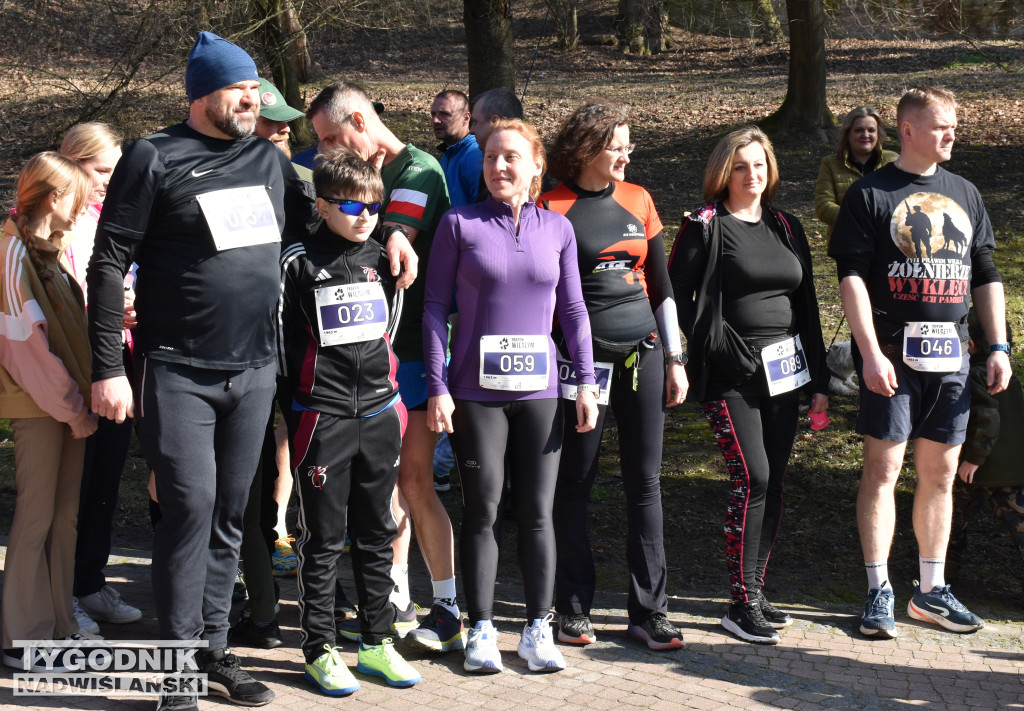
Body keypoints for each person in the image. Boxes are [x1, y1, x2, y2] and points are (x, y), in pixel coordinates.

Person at [86, 33, 416, 711]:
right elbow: (108, 260)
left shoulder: (267, 162)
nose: (252, 99)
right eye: (241, 88)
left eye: (254, 88)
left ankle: (212, 653)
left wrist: (390, 233)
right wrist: (105, 369)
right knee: (188, 511)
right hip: (176, 368)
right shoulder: (154, 156)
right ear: (203, 91)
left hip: (255, 370)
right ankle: (178, 669)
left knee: (235, 515)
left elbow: (325, 225)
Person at [828, 86, 1009, 640]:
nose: (951, 134)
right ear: (907, 131)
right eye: (941, 126)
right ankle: (877, 590)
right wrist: (869, 352)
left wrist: (999, 346)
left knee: (941, 476)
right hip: (893, 355)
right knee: (882, 471)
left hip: (953, 357)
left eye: (953, 124)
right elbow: (851, 277)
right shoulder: (870, 193)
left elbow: (986, 275)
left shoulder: (965, 192)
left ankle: (930, 592)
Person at [423, 118, 599, 674]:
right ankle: (480, 628)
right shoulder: (460, 224)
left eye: (512, 157)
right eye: (492, 156)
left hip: (542, 392)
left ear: (536, 166)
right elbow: (433, 309)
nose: (499, 166)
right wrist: (437, 386)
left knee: (539, 512)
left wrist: (586, 383)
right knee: (483, 510)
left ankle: (537, 629)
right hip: (478, 394)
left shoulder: (559, 230)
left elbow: (573, 311)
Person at [307, 80, 465, 653]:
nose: (325, 151)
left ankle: (426, 601)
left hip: (418, 356)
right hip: (369, 361)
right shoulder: (355, 174)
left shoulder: (419, 170)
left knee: (411, 479)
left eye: (329, 136)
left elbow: (394, 240)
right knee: (385, 484)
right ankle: (392, 597)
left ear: (358, 120)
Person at [668, 127, 829, 645]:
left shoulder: (786, 225)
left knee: (775, 481)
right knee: (752, 478)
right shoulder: (705, 226)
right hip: (732, 375)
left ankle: (756, 592)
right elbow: (675, 296)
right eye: (741, 166)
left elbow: (806, 307)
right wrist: (707, 347)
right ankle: (739, 602)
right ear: (724, 172)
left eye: (759, 165)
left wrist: (820, 379)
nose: (752, 175)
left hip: (785, 371)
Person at [541, 101, 687, 650]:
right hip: (581, 364)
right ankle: (572, 607)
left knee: (645, 483)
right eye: (617, 145)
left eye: (629, 143)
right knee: (575, 482)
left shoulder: (639, 199)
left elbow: (664, 285)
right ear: (585, 149)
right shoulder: (549, 204)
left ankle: (650, 612)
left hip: (643, 353)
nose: (628, 154)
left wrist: (675, 357)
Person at [279, 148, 421, 694]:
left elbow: (390, 327)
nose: (364, 215)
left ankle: (376, 643)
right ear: (321, 204)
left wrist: (389, 399)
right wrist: (293, 405)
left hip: (380, 414)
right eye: (350, 205)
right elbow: (282, 339)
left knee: (376, 532)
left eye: (373, 206)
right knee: (322, 538)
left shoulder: (385, 255)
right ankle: (319, 648)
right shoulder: (298, 260)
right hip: (322, 417)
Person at [1, 152, 99, 672]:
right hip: (42, 407)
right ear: (56, 197)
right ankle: (22, 637)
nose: (85, 208)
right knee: (36, 516)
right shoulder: (12, 254)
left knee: (65, 517)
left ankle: (61, 625)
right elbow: (25, 349)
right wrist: (71, 409)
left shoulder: (49, 250)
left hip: (67, 404)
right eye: (80, 198)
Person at [59, 123, 144, 635]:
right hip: (76, 368)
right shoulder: (51, 221)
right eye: (102, 171)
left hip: (120, 362)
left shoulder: (110, 216)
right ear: (71, 163)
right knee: (75, 486)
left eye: (117, 170)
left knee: (106, 481)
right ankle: (59, 591)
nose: (111, 181)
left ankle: (89, 581)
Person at [948, 308, 1024, 579]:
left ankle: (941, 577)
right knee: (1019, 525)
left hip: (976, 469)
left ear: (969, 344)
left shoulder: (974, 375)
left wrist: (973, 459)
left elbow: (987, 418)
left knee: (951, 522)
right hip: (1013, 472)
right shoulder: (1009, 378)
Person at [814, 106, 898, 237]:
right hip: (847, 242)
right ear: (848, 133)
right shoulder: (830, 164)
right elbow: (823, 207)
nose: (865, 135)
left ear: (878, 133)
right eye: (859, 130)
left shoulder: (893, 160)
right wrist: (860, 219)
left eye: (871, 130)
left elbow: (903, 201)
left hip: (887, 241)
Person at [469, 88, 524, 202]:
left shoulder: (526, 168)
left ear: (495, 121)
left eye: (475, 122)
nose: (471, 130)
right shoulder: (488, 160)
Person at [432, 89, 482, 208]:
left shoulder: (475, 155)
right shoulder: (448, 154)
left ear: (466, 118)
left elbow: (486, 211)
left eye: (444, 114)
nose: (435, 120)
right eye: (433, 114)